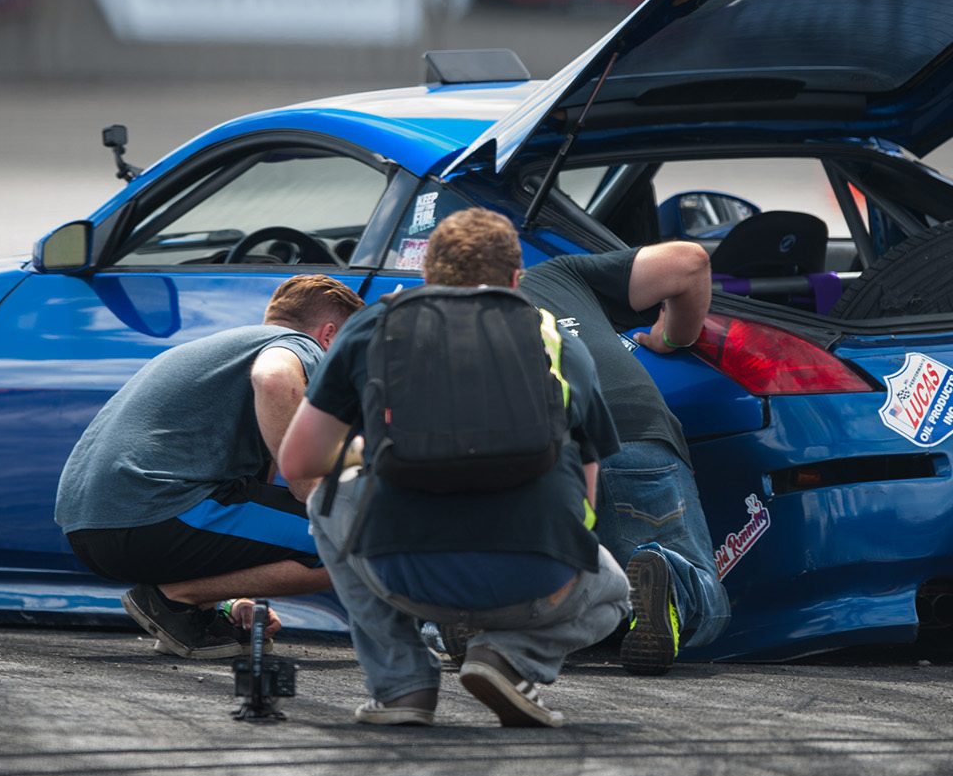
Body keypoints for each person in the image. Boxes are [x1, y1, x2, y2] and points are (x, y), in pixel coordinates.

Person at [278, 209, 632, 728]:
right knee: (616, 594)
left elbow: (298, 462)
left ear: (427, 275)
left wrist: (368, 451)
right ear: (516, 279)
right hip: (537, 585)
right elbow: (586, 500)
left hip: (404, 577)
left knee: (326, 498)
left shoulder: (374, 327)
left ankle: (402, 686)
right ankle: (510, 656)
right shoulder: (558, 342)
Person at [55, 274, 364, 659]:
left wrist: (232, 600)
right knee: (357, 540)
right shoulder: (296, 346)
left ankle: (187, 611)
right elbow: (273, 378)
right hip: (152, 513)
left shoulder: (221, 355)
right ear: (329, 336)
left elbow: (248, 513)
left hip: (93, 528)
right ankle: (172, 598)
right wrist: (311, 488)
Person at [518, 242, 729, 674]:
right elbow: (690, 262)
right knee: (702, 601)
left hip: (529, 456)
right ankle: (670, 586)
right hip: (629, 428)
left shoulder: (432, 321)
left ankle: (475, 610)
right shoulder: (554, 274)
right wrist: (671, 338)